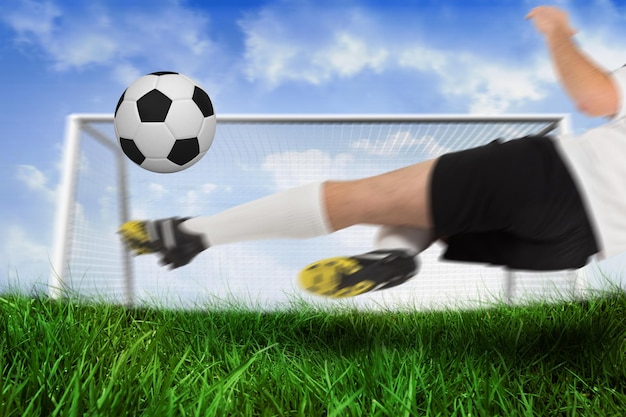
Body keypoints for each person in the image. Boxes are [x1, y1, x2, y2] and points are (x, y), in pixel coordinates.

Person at [119, 6, 626, 298]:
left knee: (364, 197)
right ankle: (396, 254)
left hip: (557, 180)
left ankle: (192, 234)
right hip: (574, 247)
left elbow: (594, 97)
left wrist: (558, 31)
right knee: (439, 212)